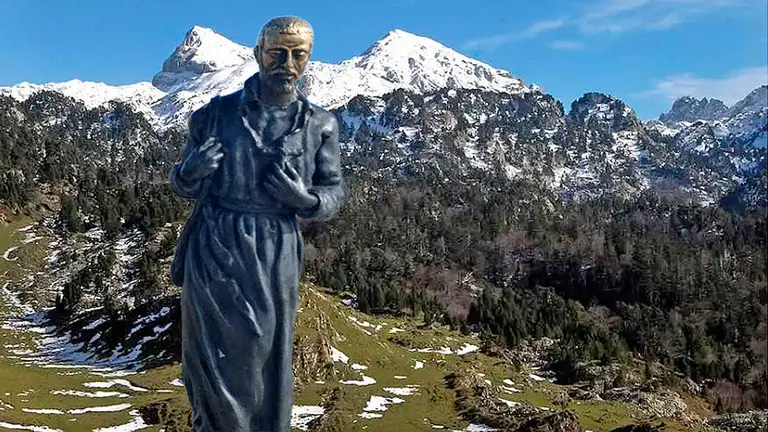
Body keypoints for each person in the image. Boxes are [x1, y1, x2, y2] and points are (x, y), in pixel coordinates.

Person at [167, 16, 347, 432]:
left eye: (297, 54)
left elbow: (334, 191)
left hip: (275, 249)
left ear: (308, 59)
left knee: (264, 355)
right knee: (211, 357)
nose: (286, 63)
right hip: (214, 246)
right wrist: (191, 171)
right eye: (276, 53)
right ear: (257, 54)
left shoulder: (320, 125)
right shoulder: (212, 116)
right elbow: (182, 184)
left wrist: (303, 200)